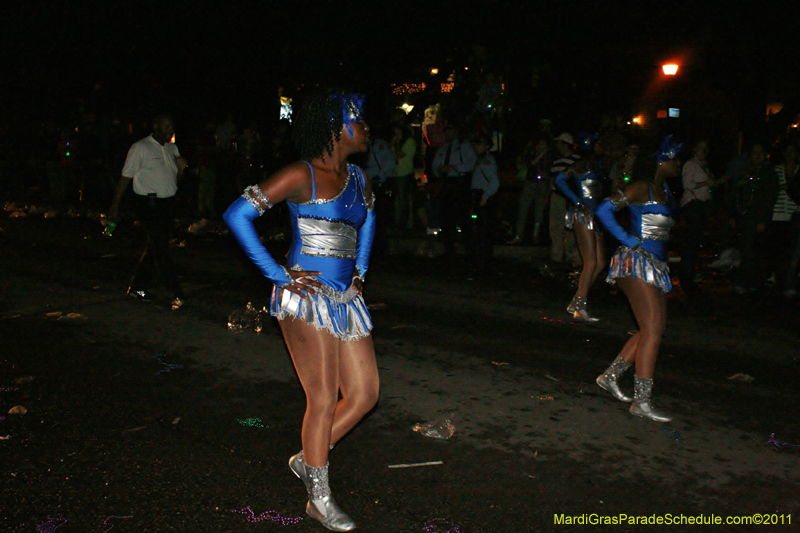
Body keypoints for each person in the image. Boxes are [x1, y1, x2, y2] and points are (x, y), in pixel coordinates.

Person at [223, 90, 378, 532]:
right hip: (304, 299)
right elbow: (236, 215)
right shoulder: (300, 174)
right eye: (359, 121)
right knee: (324, 399)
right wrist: (277, 274)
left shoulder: (359, 178)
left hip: (345, 300)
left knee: (365, 394)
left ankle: (308, 458)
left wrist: (361, 273)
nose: (366, 129)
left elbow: (367, 221)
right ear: (337, 128)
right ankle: (319, 498)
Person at [593, 135, 681, 423]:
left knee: (651, 328)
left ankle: (610, 376)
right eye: (674, 158)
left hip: (655, 266)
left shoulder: (664, 189)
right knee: (653, 329)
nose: (678, 163)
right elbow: (604, 209)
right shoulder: (642, 187)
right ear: (661, 160)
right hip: (635, 262)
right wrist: (627, 239)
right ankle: (642, 402)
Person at [108, 114, 187, 310]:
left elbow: (176, 181)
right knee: (160, 248)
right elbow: (125, 178)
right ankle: (175, 291)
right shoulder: (140, 148)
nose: (170, 129)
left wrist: (182, 169)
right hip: (148, 204)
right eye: (166, 125)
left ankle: (138, 286)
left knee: (155, 247)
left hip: (167, 203)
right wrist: (115, 205)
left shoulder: (172, 148)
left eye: (172, 126)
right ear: (156, 125)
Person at [554, 158, 606, 321]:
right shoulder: (582, 163)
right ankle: (579, 306)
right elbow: (559, 179)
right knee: (590, 262)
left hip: (594, 214)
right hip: (583, 215)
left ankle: (577, 302)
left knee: (600, 262)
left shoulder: (597, 164)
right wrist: (577, 201)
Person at [678, 140, 726, 295]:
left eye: (706, 148)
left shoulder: (704, 165)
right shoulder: (691, 164)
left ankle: (690, 273)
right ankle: (686, 275)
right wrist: (707, 182)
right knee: (693, 240)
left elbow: (708, 185)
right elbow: (687, 184)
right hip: (693, 205)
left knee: (696, 240)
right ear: (694, 149)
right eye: (701, 148)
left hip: (702, 206)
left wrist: (717, 183)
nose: (704, 151)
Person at [732, 142, 780, 293]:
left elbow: (770, 198)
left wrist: (764, 219)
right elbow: (737, 193)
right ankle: (745, 281)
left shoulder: (769, 173)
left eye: (760, 152)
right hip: (746, 216)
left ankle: (751, 281)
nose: (757, 156)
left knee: (755, 250)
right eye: (754, 152)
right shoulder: (746, 171)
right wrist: (733, 215)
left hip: (759, 217)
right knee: (747, 249)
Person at [431, 124, 477, 256]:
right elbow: (435, 165)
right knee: (446, 217)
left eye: (450, 131)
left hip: (460, 182)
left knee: (463, 216)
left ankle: (469, 248)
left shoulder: (465, 146)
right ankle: (449, 249)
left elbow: (471, 164)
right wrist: (440, 170)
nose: (448, 134)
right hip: (446, 183)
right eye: (446, 132)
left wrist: (454, 168)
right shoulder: (443, 149)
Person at [508, 136, 550, 244]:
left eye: (544, 146)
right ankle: (518, 235)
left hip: (542, 183)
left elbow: (551, 170)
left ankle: (535, 236)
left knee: (539, 210)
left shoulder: (548, 157)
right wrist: (540, 155)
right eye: (540, 145)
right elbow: (531, 164)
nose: (542, 147)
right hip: (530, 182)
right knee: (524, 208)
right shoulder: (529, 154)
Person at [467, 135, 500, 270]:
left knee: (484, 231)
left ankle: (484, 262)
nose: (476, 147)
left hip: (483, 198)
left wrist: (484, 197)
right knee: (479, 230)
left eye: (480, 144)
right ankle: (480, 261)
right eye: (476, 144)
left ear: (487, 147)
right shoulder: (479, 159)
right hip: (477, 196)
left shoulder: (487, 161)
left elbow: (495, 182)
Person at [549, 133, 581, 266]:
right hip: (556, 197)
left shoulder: (577, 161)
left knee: (571, 228)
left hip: (570, 198)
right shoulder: (557, 161)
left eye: (559, 143)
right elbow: (552, 180)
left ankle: (571, 256)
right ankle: (556, 256)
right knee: (555, 226)